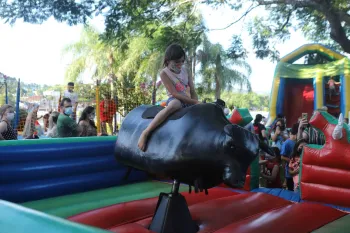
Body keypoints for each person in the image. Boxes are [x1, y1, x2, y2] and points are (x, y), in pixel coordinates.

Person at [138, 44, 200, 151]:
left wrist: (196, 102)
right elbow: (174, 93)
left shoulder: (186, 71)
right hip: (175, 99)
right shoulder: (164, 73)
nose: (180, 64)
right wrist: (194, 102)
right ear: (168, 61)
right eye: (176, 62)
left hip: (188, 100)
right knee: (175, 104)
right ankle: (146, 132)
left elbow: (193, 90)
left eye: (182, 61)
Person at [280, 124, 298, 191]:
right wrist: (292, 162)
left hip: (296, 171)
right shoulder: (287, 143)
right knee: (290, 190)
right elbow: (282, 157)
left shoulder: (297, 142)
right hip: (290, 172)